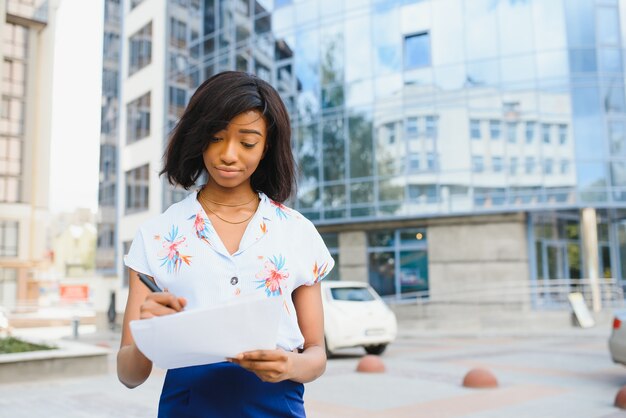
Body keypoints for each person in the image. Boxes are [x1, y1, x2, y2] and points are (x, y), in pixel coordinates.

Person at [117, 71, 335, 418]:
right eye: (216, 137)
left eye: (247, 142)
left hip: (277, 405)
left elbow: (316, 355)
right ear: (197, 138)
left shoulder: (298, 232)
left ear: (266, 147)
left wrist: (289, 367)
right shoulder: (157, 236)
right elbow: (128, 376)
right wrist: (148, 334)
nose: (228, 154)